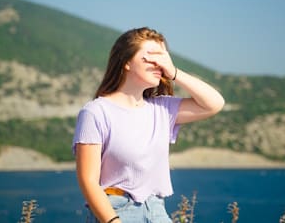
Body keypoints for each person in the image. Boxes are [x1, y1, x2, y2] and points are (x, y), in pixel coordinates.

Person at [72, 27, 225, 223]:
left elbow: (215, 103)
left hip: (157, 211)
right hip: (117, 212)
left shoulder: (161, 109)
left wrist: (174, 72)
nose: (159, 64)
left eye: (163, 58)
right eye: (151, 57)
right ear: (126, 62)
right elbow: (88, 181)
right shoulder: (96, 112)